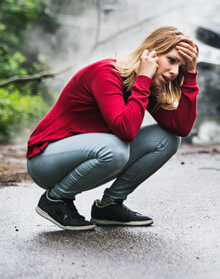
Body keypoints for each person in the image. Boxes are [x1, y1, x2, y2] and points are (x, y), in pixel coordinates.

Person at [26, 26, 199, 231]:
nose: (174, 71)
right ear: (151, 53)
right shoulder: (106, 72)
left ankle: (109, 206)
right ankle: (55, 200)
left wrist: (190, 75)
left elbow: (181, 127)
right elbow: (125, 131)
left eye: (181, 67)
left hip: (86, 156)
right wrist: (143, 80)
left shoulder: (146, 85)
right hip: (45, 160)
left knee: (167, 139)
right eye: (171, 60)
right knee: (116, 148)